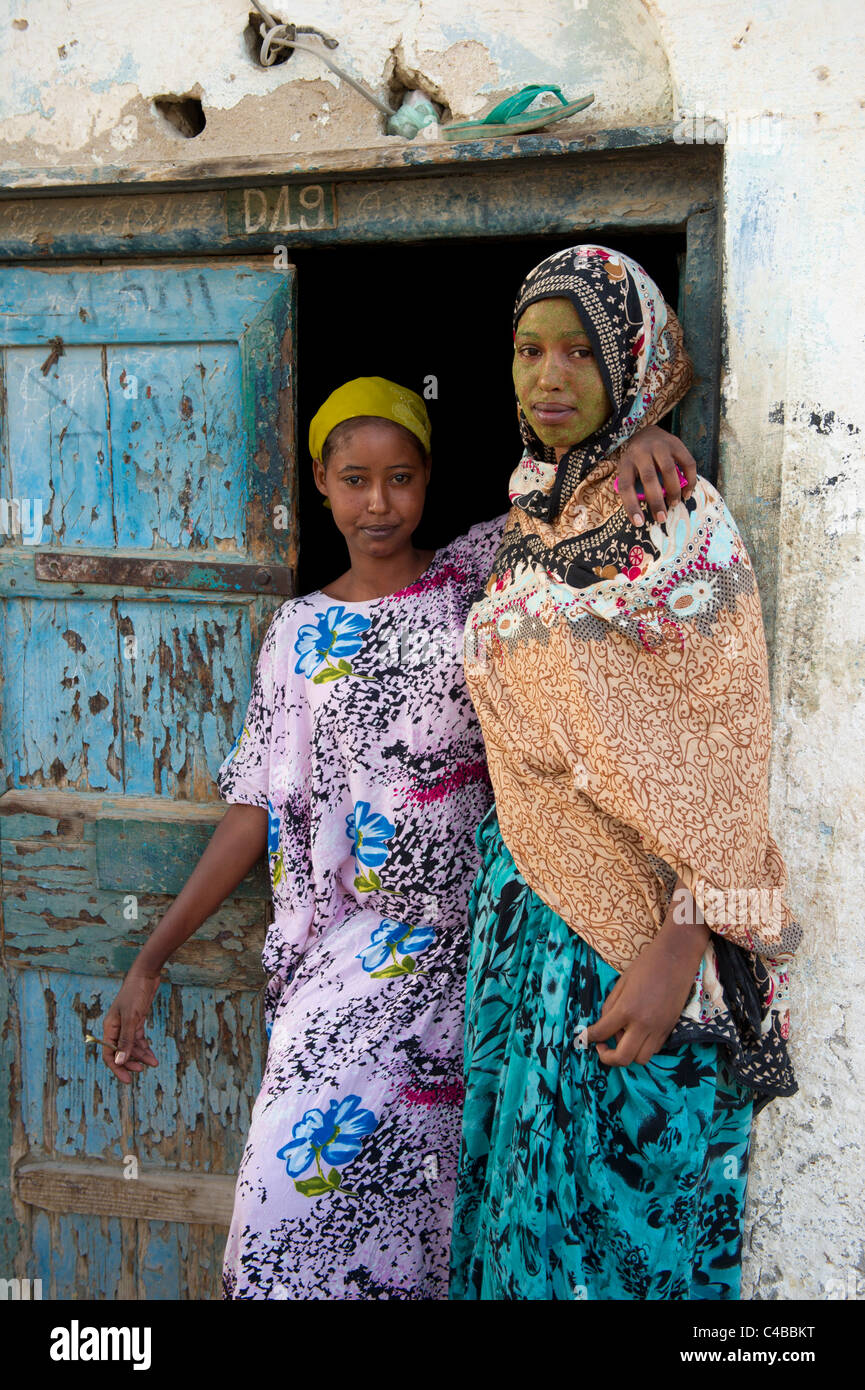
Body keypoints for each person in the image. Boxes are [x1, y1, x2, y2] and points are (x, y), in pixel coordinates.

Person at [101, 372, 700, 1300]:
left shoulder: (477, 579)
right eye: (353, 479)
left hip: (479, 959)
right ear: (319, 480)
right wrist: (151, 958)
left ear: (428, 481)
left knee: (441, 1226)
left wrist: (634, 444)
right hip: (345, 961)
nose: (378, 503)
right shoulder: (296, 635)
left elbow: (581, 505)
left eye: (401, 478)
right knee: (283, 1214)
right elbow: (255, 805)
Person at [450, 245, 800, 1302]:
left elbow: (725, 742)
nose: (545, 376)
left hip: (644, 939)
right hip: (522, 926)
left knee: (623, 1243)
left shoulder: (676, 518)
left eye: (576, 354)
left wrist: (680, 939)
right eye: (526, 350)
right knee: (521, 1223)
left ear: (632, 365)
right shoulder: (521, 528)